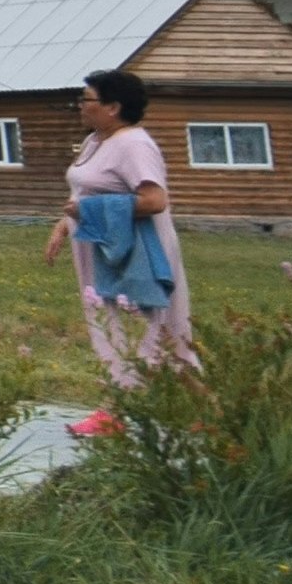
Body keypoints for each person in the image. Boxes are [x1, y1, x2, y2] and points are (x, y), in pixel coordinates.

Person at [43, 66, 193, 395]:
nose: (80, 105)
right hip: (99, 246)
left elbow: (154, 200)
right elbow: (84, 191)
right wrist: (63, 227)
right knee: (106, 319)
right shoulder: (95, 141)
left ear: (113, 107)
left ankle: (137, 400)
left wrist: (89, 212)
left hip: (133, 250)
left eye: (87, 99)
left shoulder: (134, 145)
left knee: (144, 322)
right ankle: (123, 400)